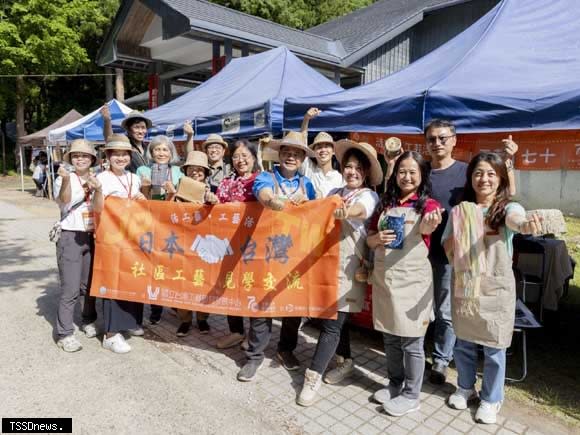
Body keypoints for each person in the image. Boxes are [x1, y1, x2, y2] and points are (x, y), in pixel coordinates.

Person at [442, 152, 541, 424]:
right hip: (466, 283)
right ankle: (465, 387)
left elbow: (517, 219)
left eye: (490, 174)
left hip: (496, 286)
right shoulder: (460, 211)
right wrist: (459, 236)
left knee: (494, 346)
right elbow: (447, 244)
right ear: (470, 178)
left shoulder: (506, 209)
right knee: (464, 342)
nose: (483, 179)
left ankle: (491, 398)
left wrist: (524, 224)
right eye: (478, 173)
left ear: (499, 179)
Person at [425, 119, 519, 385]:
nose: (437, 143)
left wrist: (509, 163)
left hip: (455, 257)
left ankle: (441, 361)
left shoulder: (468, 171)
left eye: (443, 138)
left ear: (454, 139)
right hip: (420, 252)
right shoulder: (420, 169)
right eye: (432, 139)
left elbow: (505, 194)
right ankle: (416, 355)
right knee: (422, 309)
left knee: (446, 312)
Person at [297, 139, 381, 406]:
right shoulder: (334, 190)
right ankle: (345, 362)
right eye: (348, 166)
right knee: (332, 318)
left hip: (349, 266)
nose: (352, 172)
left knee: (333, 323)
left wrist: (346, 211)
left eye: (358, 168)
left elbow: (362, 210)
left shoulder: (367, 195)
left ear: (365, 173)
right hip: (327, 262)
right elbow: (317, 211)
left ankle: (313, 377)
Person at [367, 151, 442, 417]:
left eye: (412, 172)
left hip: (412, 283)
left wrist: (430, 224)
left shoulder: (428, 206)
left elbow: (429, 225)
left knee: (411, 342)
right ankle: (395, 384)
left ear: (422, 176)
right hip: (387, 279)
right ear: (395, 174)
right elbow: (370, 236)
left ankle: (412, 394)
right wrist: (376, 240)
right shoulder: (385, 204)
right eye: (402, 171)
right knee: (389, 337)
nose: (406, 176)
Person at [237, 130, 316, 382]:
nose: (291, 157)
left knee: (292, 304)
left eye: (296, 154)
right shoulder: (266, 177)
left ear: (302, 158)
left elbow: (316, 214)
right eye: (287, 152)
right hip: (266, 254)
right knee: (261, 304)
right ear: (279, 154)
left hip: (295, 253)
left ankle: (285, 349)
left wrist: (309, 205)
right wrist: (272, 202)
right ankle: (255, 356)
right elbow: (263, 192)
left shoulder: (308, 185)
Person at [91, 134, 147, 353]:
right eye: (116, 154)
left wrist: (141, 198)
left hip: (132, 237)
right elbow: (97, 208)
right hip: (111, 237)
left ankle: (130, 323)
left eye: (124, 154)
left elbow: (138, 203)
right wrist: (97, 192)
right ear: (108, 156)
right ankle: (111, 333)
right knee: (112, 281)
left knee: (131, 277)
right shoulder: (102, 178)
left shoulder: (134, 178)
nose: (121, 158)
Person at [214, 139, 261, 349]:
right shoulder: (226, 182)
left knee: (251, 287)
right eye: (235, 157)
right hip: (228, 246)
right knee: (230, 287)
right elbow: (218, 209)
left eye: (244, 156)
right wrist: (213, 202)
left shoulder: (261, 180)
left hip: (254, 247)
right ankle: (235, 331)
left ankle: (252, 335)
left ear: (253, 157)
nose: (240, 160)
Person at [54, 140, 99, 352]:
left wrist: (97, 189)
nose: (80, 159)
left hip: (91, 235)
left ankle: (88, 319)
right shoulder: (65, 177)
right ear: (71, 158)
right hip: (70, 236)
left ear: (92, 159)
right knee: (70, 288)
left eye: (84, 155)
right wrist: (64, 181)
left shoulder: (97, 178)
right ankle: (64, 333)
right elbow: (63, 202)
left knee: (88, 285)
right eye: (75, 155)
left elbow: (100, 207)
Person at [136, 135, 184, 325]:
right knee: (153, 267)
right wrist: (146, 188)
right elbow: (140, 200)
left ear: (171, 153)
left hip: (172, 226)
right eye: (157, 149)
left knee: (171, 266)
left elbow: (184, 200)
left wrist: (173, 192)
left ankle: (172, 301)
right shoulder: (142, 170)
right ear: (151, 152)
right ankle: (155, 307)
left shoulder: (178, 171)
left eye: (165, 150)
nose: (161, 153)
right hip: (150, 225)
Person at [173, 150, 218, 337]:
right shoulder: (177, 189)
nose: (196, 173)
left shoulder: (213, 190)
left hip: (204, 245)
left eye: (200, 170)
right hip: (182, 243)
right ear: (186, 171)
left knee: (203, 282)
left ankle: (202, 318)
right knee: (182, 282)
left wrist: (213, 202)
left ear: (206, 173)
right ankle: (184, 320)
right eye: (192, 169)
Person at [299, 107, 344, 197]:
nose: (323, 150)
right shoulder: (308, 169)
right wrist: (306, 119)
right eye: (319, 147)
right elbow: (302, 143)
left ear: (333, 151)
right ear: (314, 151)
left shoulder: (340, 178)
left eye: (327, 146)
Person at [101, 106, 152, 173]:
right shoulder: (124, 145)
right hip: (129, 182)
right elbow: (109, 139)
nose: (140, 131)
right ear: (128, 129)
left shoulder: (149, 148)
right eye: (136, 127)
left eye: (143, 128)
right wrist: (107, 120)